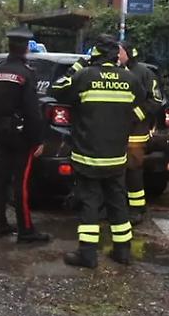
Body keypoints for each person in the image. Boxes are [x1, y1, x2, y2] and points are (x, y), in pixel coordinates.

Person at [53, 35, 146, 268]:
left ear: (94, 54)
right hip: (116, 157)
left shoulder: (84, 76)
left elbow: (58, 89)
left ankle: (87, 255)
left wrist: (78, 65)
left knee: (89, 204)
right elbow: (143, 101)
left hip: (88, 157)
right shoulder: (130, 78)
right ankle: (122, 251)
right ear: (115, 55)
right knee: (118, 203)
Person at [0, 26, 50, 244]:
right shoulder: (26, 73)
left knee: (0, 180)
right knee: (20, 182)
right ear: (25, 48)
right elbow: (32, 111)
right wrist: (39, 139)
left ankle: (0, 224)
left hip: (1, 132)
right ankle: (26, 230)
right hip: (21, 135)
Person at [119, 40, 165, 224]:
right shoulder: (118, 72)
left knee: (133, 170)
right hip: (119, 132)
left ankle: (136, 209)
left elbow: (155, 100)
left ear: (128, 53)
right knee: (120, 172)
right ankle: (123, 206)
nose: (117, 55)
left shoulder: (144, 73)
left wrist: (135, 115)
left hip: (136, 133)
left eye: (119, 51)